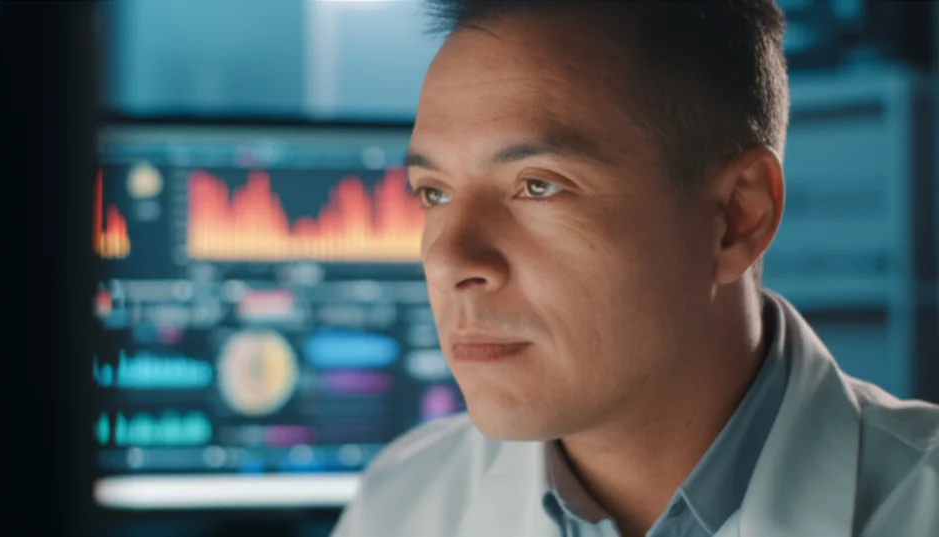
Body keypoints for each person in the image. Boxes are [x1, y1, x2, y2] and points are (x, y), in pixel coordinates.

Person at [329, 1, 939, 536]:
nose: (448, 261)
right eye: (433, 193)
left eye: (537, 186)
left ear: (737, 217)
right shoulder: (400, 504)